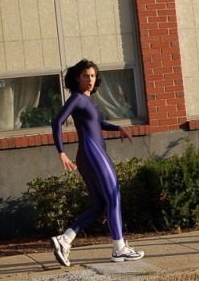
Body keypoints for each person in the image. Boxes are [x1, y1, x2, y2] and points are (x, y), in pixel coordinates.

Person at [50, 59, 144, 266]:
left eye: (92, 76)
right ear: (78, 78)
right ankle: (119, 249)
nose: (90, 80)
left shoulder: (88, 100)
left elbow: (97, 123)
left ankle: (64, 240)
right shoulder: (77, 98)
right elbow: (57, 121)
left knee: (100, 205)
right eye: (85, 76)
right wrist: (61, 152)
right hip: (93, 154)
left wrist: (117, 128)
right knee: (113, 197)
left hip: (90, 156)